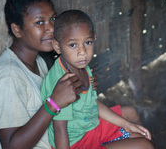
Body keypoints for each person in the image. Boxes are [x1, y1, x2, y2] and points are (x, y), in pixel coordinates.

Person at [0, 0, 146, 149]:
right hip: (60, 142)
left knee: (132, 118)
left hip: (68, 133)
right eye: (40, 22)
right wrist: (53, 103)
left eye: (53, 19)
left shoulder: (37, 62)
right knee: (143, 145)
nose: (51, 29)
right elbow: (12, 146)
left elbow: (63, 97)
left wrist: (82, 86)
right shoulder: (7, 77)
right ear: (17, 29)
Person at [41, 10, 155, 149]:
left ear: (94, 38)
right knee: (145, 145)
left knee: (132, 117)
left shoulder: (81, 66)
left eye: (87, 42)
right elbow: (59, 129)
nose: (82, 51)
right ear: (57, 46)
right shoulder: (62, 82)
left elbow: (92, 104)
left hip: (89, 126)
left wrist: (125, 124)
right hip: (75, 143)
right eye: (73, 45)